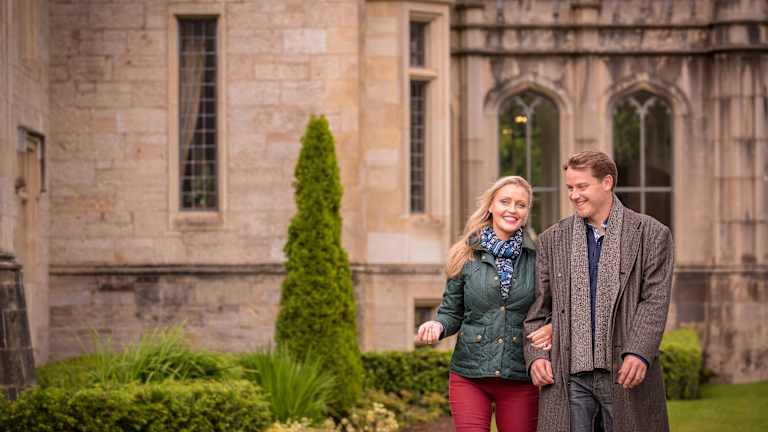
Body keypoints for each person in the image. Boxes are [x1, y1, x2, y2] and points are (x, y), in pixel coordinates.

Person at [524, 151, 674, 432]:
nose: (574, 195)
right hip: (569, 377)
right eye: (570, 187)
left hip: (623, 372)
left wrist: (639, 352)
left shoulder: (652, 234)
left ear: (607, 182)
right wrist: (536, 357)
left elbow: (654, 300)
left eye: (582, 186)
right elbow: (537, 309)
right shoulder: (551, 240)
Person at [416, 176, 553, 432]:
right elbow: (451, 312)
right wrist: (438, 325)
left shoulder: (539, 257)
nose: (512, 210)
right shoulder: (464, 254)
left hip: (520, 375)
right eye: (505, 202)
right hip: (469, 375)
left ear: (527, 212)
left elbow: (549, 309)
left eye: (521, 205)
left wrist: (552, 327)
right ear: (491, 206)